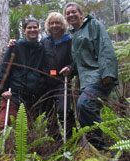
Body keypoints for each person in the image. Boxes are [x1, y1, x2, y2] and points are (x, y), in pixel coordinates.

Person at [63, 2, 118, 150]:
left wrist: (108, 74)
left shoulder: (93, 25)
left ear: (81, 14)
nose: (70, 15)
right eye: (67, 13)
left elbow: (105, 47)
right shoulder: (73, 36)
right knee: (82, 110)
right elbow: (79, 62)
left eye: (73, 11)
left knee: (84, 105)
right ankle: (96, 148)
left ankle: (102, 149)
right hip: (85, 81)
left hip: (100, 75)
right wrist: (70, 69)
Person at [0, 17, 45, 130]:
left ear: (39, 30)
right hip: (13, 95)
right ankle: (2, 148)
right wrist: (2, 89)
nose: (32, 30)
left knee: (27, 133)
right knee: (5, 127)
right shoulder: (15, 47)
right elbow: (4, 68)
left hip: (33, 98)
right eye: (29, 27)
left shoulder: (42, 48)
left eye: (35, 27)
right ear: (24, 30)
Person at [41, 12, 76, 143]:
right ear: (48, 25)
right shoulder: (44, 41)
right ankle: (56, 143)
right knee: (49, 115)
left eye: (57, 22)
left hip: (62, 81)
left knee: (64, 110)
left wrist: (70, 68)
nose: (54, 25)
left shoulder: (69, 41)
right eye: (52, 23)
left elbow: (76, 60)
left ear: (62, 24)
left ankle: (73, 139)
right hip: (46, 82)